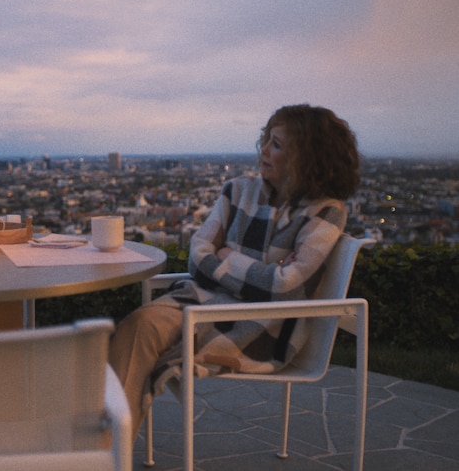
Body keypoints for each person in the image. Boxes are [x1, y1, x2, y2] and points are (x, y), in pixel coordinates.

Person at [108, 104, 360, 443]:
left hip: (260, 326)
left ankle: (106, 453)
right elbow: (198, 259)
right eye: (267, 141)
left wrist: (225, 257)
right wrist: (258, 274)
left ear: (307, 158)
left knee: (139, 339)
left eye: (277, 145)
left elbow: (284, 289)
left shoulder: (327, 213)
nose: (264, 151)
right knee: (138, 328)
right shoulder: (237, 190)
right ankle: (109, 453)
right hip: (198, 301)